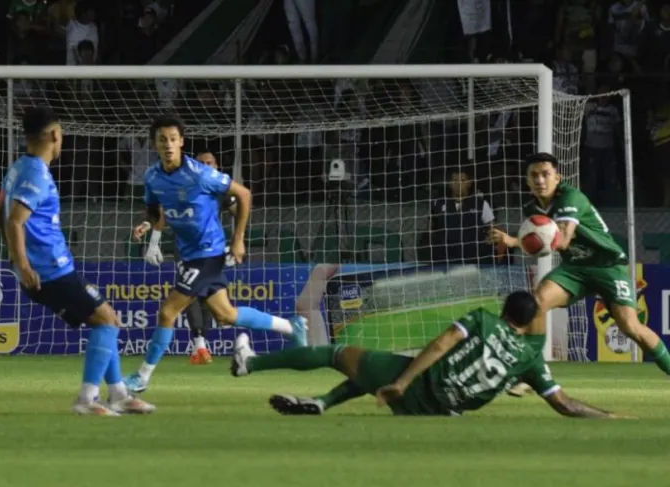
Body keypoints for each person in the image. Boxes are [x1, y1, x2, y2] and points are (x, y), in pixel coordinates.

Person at [124, 116, 307, 393]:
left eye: (173, 139)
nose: (169, 145)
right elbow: (154, 208)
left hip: (207, 253)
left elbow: (243, 194)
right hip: (187, 254)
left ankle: (142, 378)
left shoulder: (200, 173)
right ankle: (292, 327)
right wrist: (148, 225)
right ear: (155, 144)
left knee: (167, 311)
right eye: (163, 140)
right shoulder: (151, 177)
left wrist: (238, 239)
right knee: (226, 315)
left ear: (182, 142)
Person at [232, 291, 620, 418]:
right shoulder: (532, 360)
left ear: (504, 309)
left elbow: (439, 345)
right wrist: (611, 415)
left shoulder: (484, 321)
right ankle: (321, 402)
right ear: (534, 320)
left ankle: (250, 364)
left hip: (416, 388)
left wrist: (402, 382)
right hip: (441, 411)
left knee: (336, 353)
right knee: (375, 369)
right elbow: (565, 404)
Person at [0, 107, 154, 416]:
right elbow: (14, 220)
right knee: (107, 320)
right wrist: (24, 265)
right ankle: (87, 399)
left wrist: (17, 259)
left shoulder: (17, 168)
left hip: (49, 269)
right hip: (48, 272)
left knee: (106, 318)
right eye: (62, 134)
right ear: (55, 135)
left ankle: (119, 393)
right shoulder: (36, 174)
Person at [490, 152, 670, 375]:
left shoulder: (571, 197)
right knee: (536, 304)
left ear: (558, 177)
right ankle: (532, 373)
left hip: (607, 266)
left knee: (630, 327)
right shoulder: (532, 210)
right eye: (534, 175)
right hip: (574, 268)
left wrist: (516, 241)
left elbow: (562, 240)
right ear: (527, 180)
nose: (540, 180)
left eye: (546, 174)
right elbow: (546, 248)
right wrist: (519, 241)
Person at [140, 149, 238, 364]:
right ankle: (199, 344)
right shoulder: (187, 186)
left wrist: (237, 240)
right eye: (202, 162)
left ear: (216, 165)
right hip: (184, 249)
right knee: (190, 295)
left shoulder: (219, 190)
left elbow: (238, 208)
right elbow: (163, 212)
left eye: (210, 162)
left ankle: (201, 344)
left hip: (213, 249)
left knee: (214, 303)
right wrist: (151, 234)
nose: (206, 165)